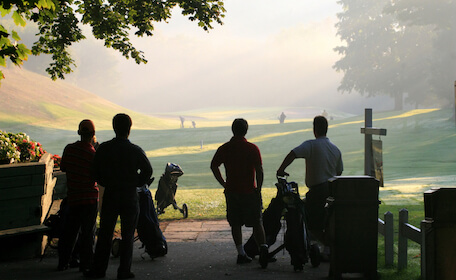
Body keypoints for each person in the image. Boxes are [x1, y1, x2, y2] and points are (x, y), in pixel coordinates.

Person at [85, 113, 153, 279]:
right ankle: (124, 270)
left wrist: (105, 181)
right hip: (129, 194)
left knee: (105, 233)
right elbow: (148, 170)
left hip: (111, 193)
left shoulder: (104, 149)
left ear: (114, 127)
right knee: (128, 234)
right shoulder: (135, 150)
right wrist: (137, 182)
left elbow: (94, 171)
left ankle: (99, 269)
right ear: (129, 129)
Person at [210, 118, 269, 268]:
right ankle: (263, 249)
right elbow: (259, 170)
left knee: (235, 223)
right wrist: (259, 188)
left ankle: (241, 253)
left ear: (232, 129)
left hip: (232, 191)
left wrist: (224, 183)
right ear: (246, 130)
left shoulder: (225, 148)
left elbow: (214, 166)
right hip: (249, 191)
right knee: (256, 222)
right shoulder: (252, 148)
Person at [276, 115, 343, 246]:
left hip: (317, 191)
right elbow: (339, 171)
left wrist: (281, 170)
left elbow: (293, 154)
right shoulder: (335, 149)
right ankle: (328, 248)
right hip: (332, 191)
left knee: (312, 224)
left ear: (314, 129)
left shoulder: (311, 145)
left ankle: (329, 247)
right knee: (327, 221)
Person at [58, 119, 98, 272]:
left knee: (70, 232)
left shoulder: (69, 149)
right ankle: (86, 265)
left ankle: (63, 262)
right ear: (93, 134)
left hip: (74, 198)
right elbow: (96, 176)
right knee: (88, 234)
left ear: (78, 133)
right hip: (89, 199)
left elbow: (63, 167)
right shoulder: (93, 154)